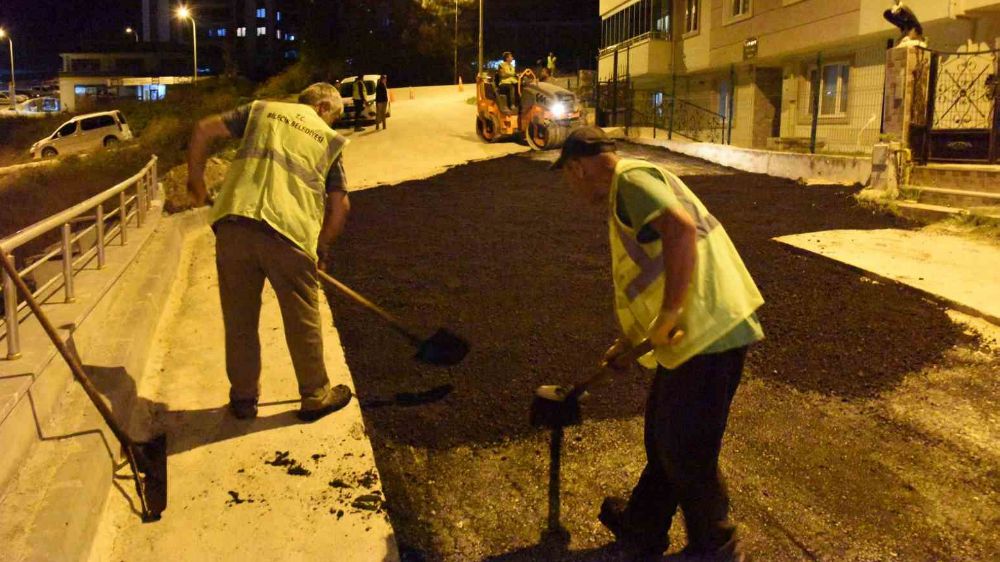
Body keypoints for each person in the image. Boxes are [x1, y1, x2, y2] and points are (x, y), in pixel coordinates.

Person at [552, 127, 764, 562]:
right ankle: (644, 526)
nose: (572, 188)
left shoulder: (628, 182)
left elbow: (681, 232)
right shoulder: (635, 186)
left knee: (686, 448)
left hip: (708, 328)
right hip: (694, 331)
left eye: (569, 178)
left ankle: (717, 547)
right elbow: (654, 271)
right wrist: (629, 344)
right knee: (664, 435)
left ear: (576, 167)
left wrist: (668, 317)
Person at [186, 83, 354, 423]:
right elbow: (341, 207)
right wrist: (322, 247)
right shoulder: (327, 138)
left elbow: (203, 129)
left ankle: (244, 400)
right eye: (332, 117)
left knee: (239, 321)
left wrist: (197, 181)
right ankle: (315, 395)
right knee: (302, 318)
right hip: (288, 233)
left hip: (233, 225)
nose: (331, 124)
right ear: (323, 107)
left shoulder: (260, 110)